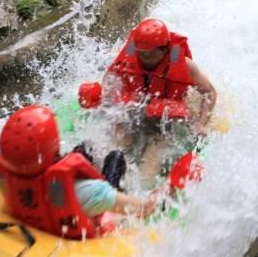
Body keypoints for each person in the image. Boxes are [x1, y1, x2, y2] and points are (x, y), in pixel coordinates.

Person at [80, 18, 217, 186]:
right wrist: (101, 101)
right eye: (141, 53)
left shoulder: (185, 65)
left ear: (164, 50)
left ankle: (143, 193)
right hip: (136, 113)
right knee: (120, 137)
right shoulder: (128, 57)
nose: (144, 58)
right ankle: (102, 180)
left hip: (168, 120)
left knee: (152, 154)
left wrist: (201, 123)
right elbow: (108, 87)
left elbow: (209, 92)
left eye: (150, 54)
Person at [0, 105, 156, 239]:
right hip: (90, 216)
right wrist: (159, 197)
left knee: (85, 148)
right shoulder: (89, 192)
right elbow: (143, 210)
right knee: (116, 157)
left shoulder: (3, 177)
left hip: (42, 217)